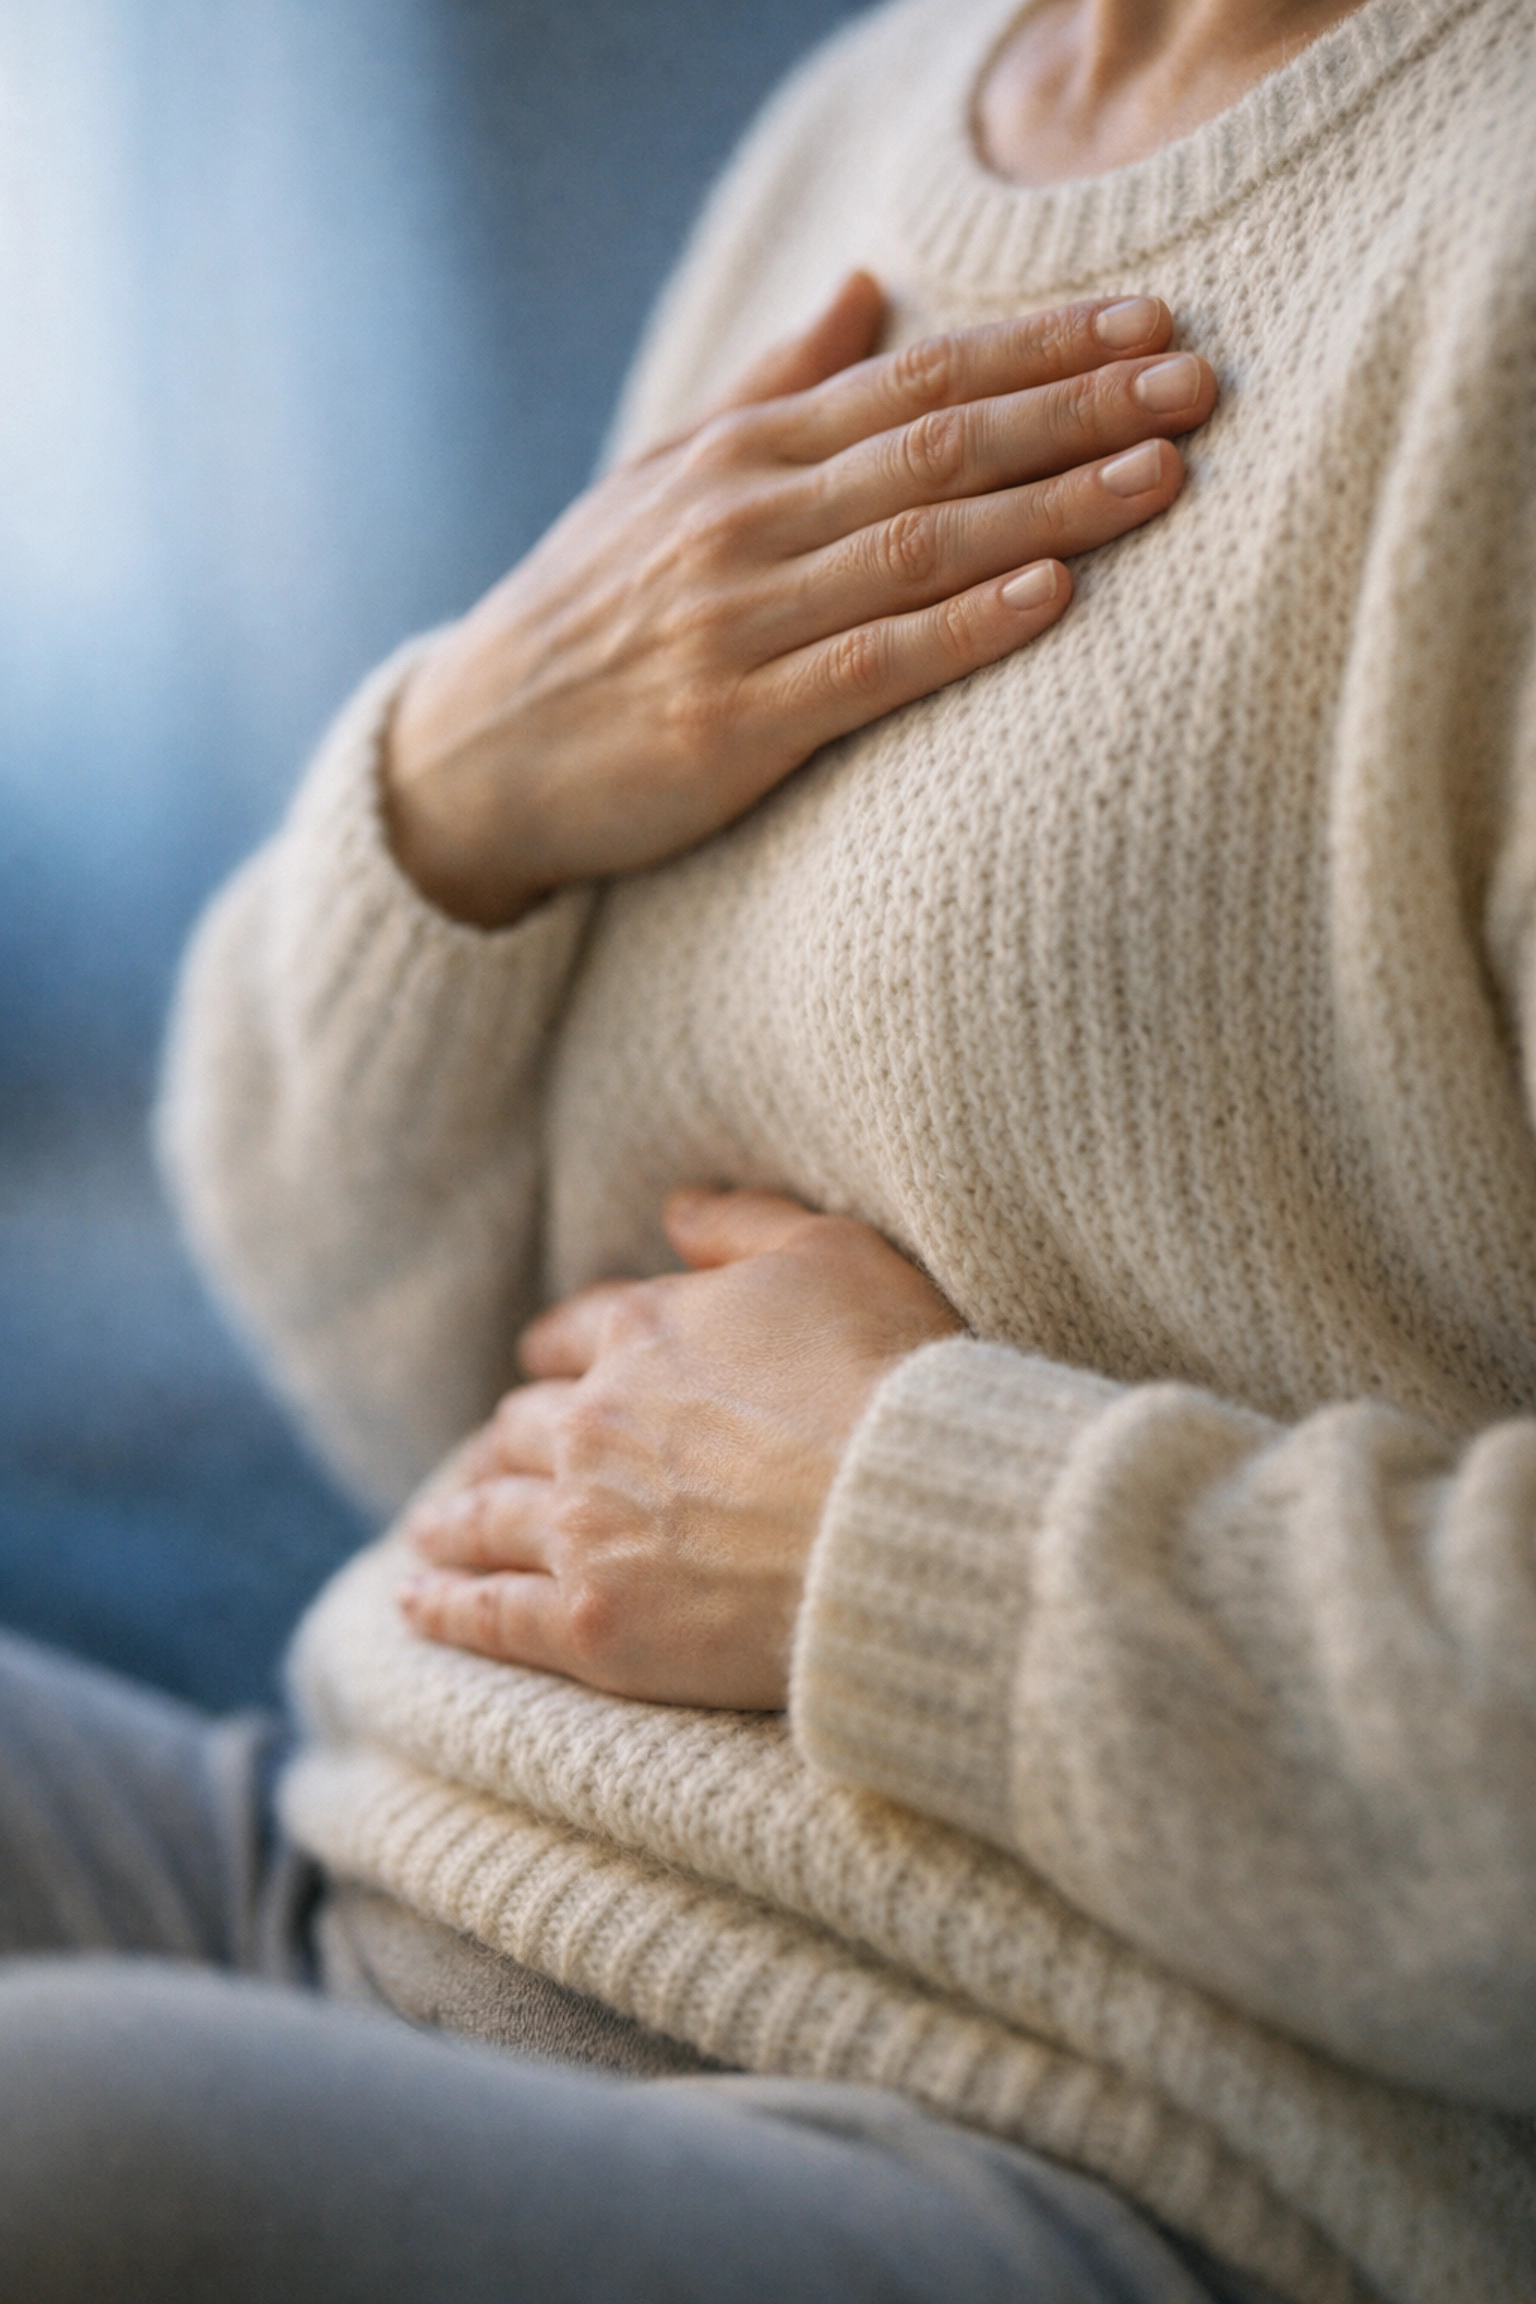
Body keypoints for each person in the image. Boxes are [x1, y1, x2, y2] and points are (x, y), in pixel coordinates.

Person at [4, 0, 1535, 2295]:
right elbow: (377, 1361)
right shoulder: (869, 122)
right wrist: (460, 776)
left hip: (1125, 2143)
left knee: (57, 2156)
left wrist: (904, 1531)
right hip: (387, 1885)